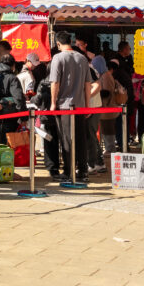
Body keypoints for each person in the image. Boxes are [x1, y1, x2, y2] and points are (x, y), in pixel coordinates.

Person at [49, 31, 92, 182]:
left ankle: (68, 171)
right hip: (80, 105)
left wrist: (53, 103)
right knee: (80, 139)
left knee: (67, 139)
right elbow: (88, 84)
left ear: (58, 44)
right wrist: (87, 104)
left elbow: (55, 82)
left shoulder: (58, 58)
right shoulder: (82, 58)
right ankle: (83, 171)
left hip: (64, 106)